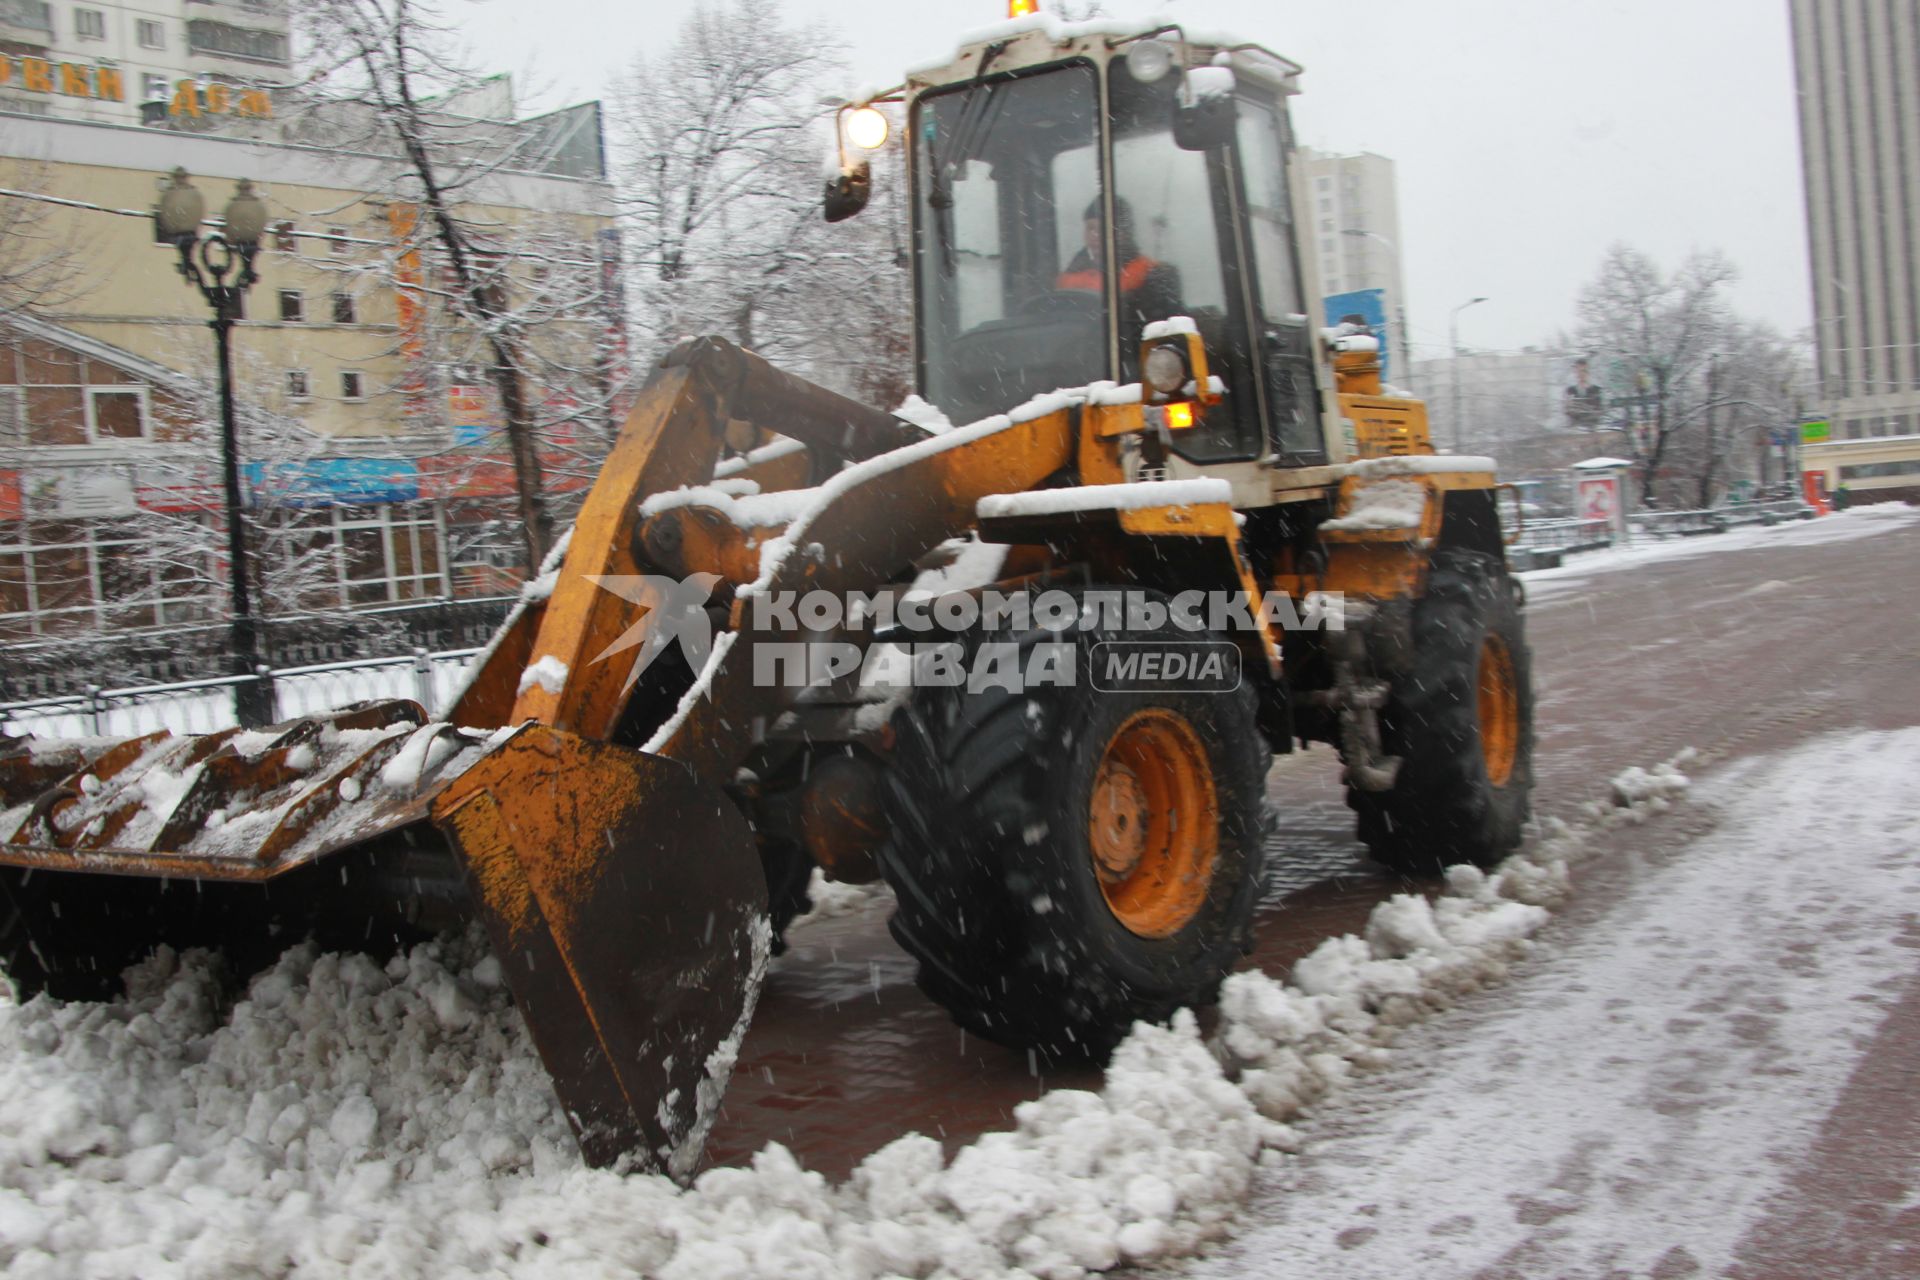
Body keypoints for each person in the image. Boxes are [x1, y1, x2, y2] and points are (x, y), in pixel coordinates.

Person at [1055, 196, 1181, 333]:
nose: (1095, 235)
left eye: (1104, 229)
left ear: (1124, 233)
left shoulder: (1156, 276)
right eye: (1090, 228)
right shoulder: (1065, 284)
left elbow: (1170, 331)